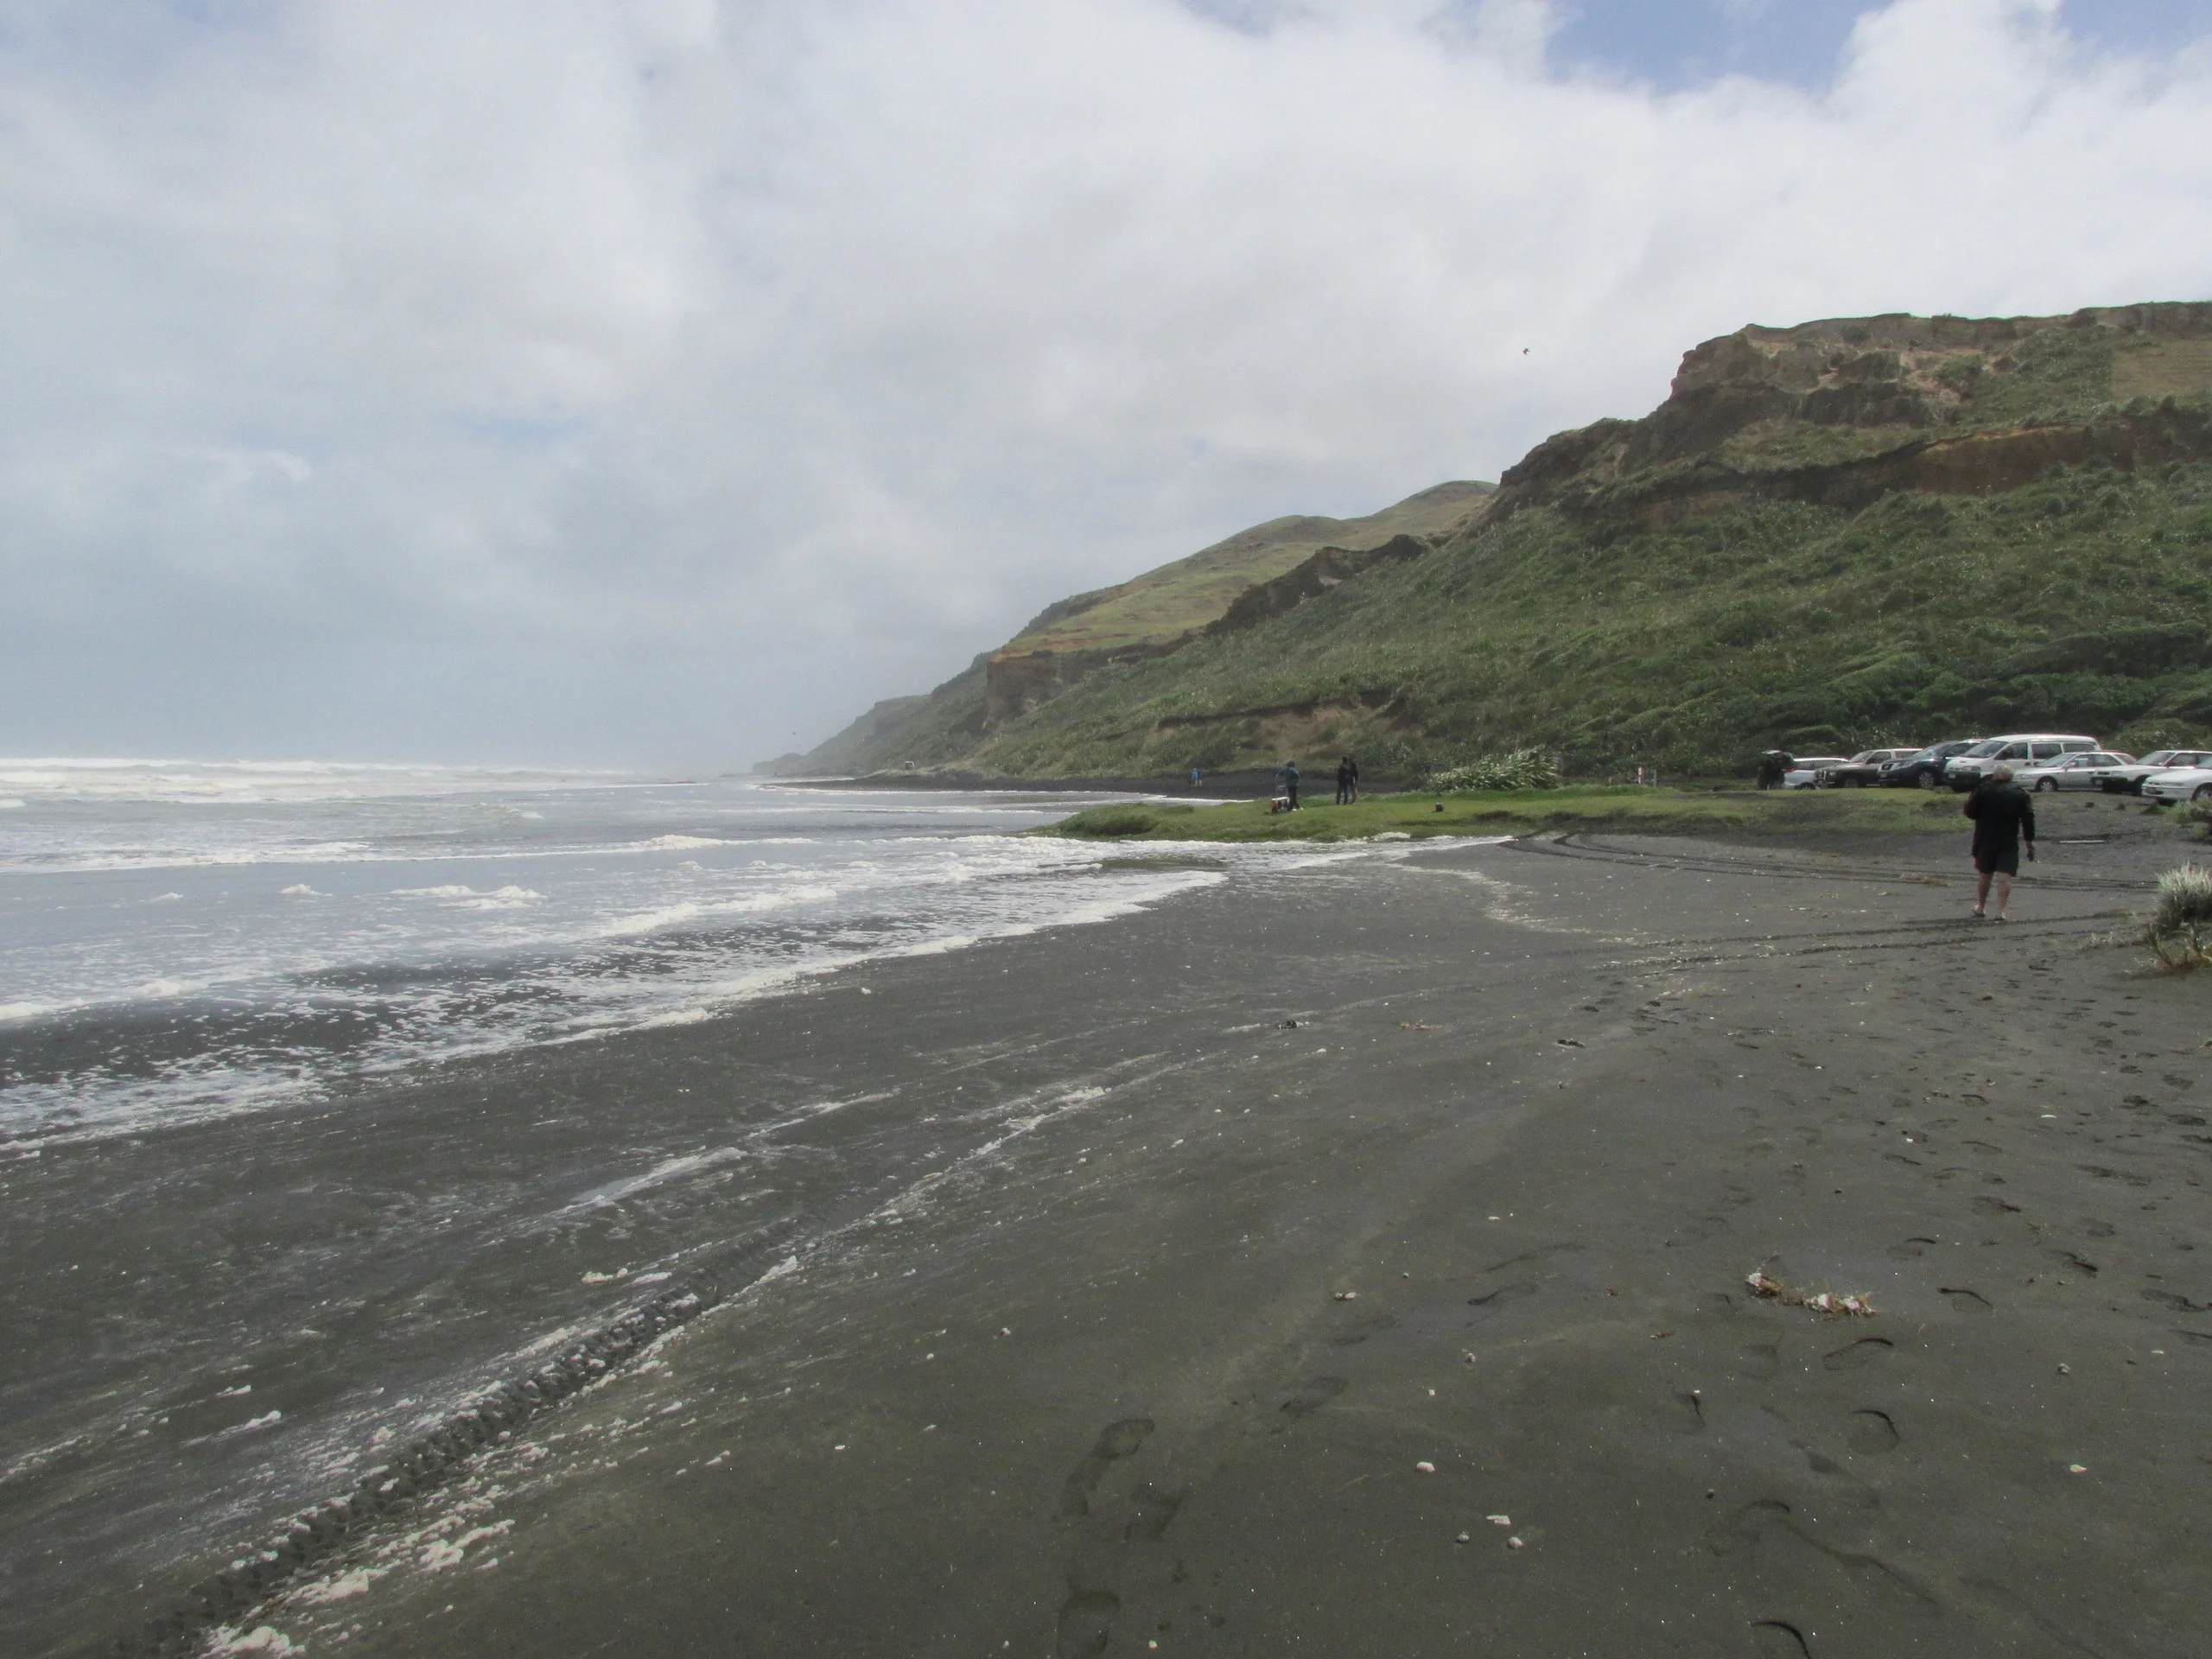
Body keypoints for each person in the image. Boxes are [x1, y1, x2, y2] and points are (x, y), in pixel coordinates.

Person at [1963, 763, 2036, 920]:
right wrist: (2029, 841)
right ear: (2011, 777)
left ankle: (1981, 906)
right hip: (2008, 839)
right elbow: (2028, 819)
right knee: (2004, 877)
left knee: (1985, 875)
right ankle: (2001, 911)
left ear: (1996, 775)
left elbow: (1969, 811)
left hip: (1985, 837)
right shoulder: (2020, 793)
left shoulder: (1983, 790)